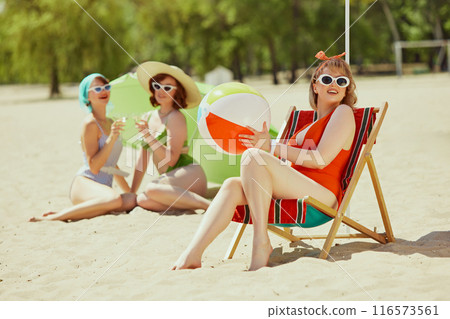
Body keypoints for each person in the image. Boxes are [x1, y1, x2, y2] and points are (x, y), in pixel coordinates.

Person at [172, 51, 357, 271]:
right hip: (298, 188)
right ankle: (192, 253)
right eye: (327, 79)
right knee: (231, 185)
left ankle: (260, 240)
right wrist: (265, 145)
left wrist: (270, 147)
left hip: (322, 197)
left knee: (254, 155)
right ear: (315, 86)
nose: (333, 83)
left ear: (347, 88)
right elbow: (286, 159)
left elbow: (320, 159)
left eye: (341, 80)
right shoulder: (306, 126)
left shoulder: (344, 113)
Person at [29, 73, 137, 221]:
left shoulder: (112, 122)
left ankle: (78, 211)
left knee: (132, 200)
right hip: (85, 185)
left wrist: (129, 192)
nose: (104, 91)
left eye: (106, 87)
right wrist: (111, 138)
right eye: (97, 89)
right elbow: (94, 167)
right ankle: (57, 217)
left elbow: (111, 164)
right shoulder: (90, 124)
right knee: (115, 199)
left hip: (104, 191)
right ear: (87, 97)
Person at [130, 62, 210, 212]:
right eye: (157, 85)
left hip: (189, 175)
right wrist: (131, 192)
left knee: (151, 189)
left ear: (176, 92)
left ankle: (208, 206)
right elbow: (143, 160)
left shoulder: (176, 117)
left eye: (167, 88)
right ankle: (187, 205)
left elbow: (171, 159)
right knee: (141, 199)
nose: (161, 91)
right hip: (170, 184)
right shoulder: (148, 117)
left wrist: (148, 135)